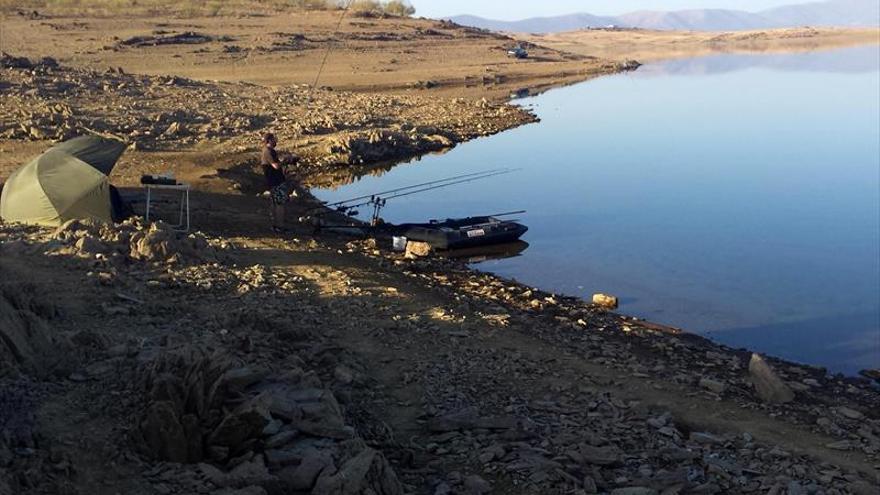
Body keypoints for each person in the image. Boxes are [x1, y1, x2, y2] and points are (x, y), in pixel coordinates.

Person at [260, 133, 298, 233]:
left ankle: (275, 225)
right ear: (269, 141)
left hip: (273, 182)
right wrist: (286, 161)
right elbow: (276, 166)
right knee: (280, 204)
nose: (275, 141)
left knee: (276, 203)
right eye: (273, 139)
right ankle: (279, 227)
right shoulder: (268, 151)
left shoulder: (269, 151)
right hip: (276, 182)